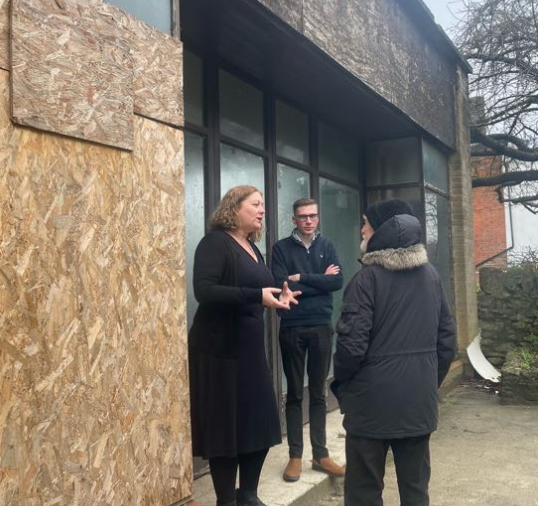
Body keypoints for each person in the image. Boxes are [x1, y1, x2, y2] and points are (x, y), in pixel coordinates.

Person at [331, 199, 457, 506]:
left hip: (370, 406)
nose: (361, 229)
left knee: (363, 491)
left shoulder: (366, 280)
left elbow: (350, 347)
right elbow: (447, 341)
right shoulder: (432, 277)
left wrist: (343, 386)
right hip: (417, 402)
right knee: (416, 491)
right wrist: (426, 381)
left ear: (381, 230)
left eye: (365, 223)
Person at [189, 185, 301, 506]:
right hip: (218, 352)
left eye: (263, 204)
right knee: (226, 430)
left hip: (250, 350)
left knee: (259, 422)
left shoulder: (252, 245)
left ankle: (248, 494)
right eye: (256, 204)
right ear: (234, 208)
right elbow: (205, 291)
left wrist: (277, 296)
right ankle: (227, 500)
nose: (262, 210)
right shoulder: (215, 243)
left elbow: (258, 287)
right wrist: (255, 296)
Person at [271, 198, 346, 482]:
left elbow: (337, 282)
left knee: (317, 393)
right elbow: (281, 284)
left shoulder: (327, 246)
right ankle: (295, 456)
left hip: (321, 328)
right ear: (294, 219)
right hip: (291, 326)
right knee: (295, 394)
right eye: (303, 217)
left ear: (318, 218)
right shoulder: (281, 248)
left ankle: (320, 455)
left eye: (313, 216)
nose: (308, 221)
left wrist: (301, 276)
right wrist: (318, 280)